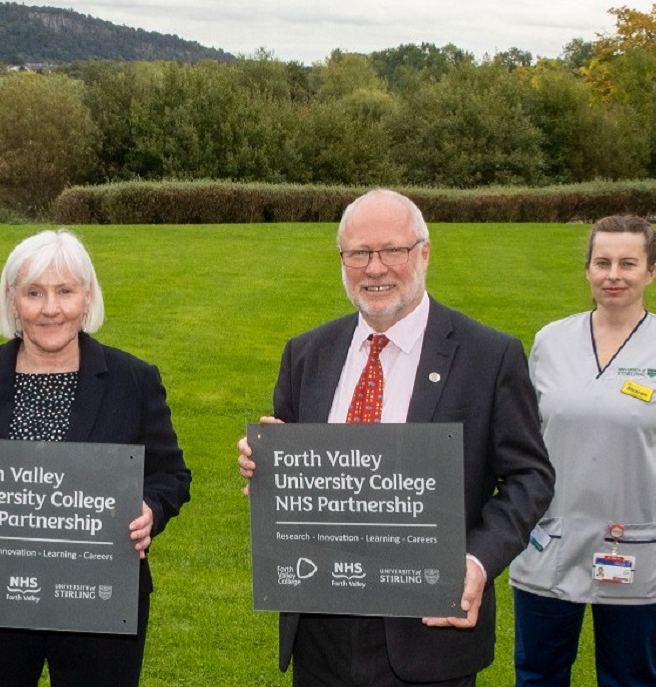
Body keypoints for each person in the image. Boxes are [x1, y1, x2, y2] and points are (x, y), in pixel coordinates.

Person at [236, 188, 555, 686]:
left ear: (424, 253)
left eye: (392, 251)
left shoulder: (488, 356)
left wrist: (475, 562)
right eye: (358, 253)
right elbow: (294, 477)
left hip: (427, 634)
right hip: (321, 630)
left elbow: (529, 477)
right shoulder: (307, 354)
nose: (375, 268)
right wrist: (266, 465)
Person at [0, 229, 193, 686]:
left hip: (99, 597)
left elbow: (171, 475)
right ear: (13, 301)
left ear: (87, 296)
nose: (50, 308)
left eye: (64, 291)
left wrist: (149, 510)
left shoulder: (132, 379)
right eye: (34, 293)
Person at [510, 216, 656, 687]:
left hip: (636, 539)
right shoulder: (550, 341)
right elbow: (527, 436)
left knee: (631, 678)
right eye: (602, 262)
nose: (613, 274)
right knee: (538, 674)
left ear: (651, 271)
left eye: (628, 263)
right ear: (587, 270)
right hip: (551, 535)